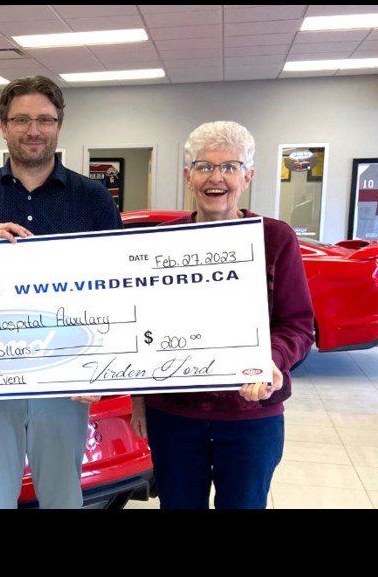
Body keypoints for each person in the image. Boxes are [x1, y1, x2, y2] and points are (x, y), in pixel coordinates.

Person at [0, 75, 122, 508]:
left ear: (59, 126)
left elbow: (116, 288)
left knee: (61, 495)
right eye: (21, 120)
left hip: (66, 368)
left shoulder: (93, 199)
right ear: (2, 127)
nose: (33, 130)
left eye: (44, 120)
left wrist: (104, 367)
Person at [130, 120, 315, 509]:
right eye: (204, 167)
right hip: (174, 414)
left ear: (247, 176)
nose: (217, 178)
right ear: (188, 177)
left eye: (230, 167)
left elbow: (297, 325)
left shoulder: (275, 238)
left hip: (251, 415)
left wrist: (272, 361)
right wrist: (138, 399)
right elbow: (142, 326)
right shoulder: (160, 245)